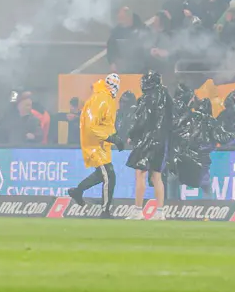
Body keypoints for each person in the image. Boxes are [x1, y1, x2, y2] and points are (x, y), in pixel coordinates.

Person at [66, 73, 120, 215]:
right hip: (95, 145)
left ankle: (78, 191)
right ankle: (105, 211)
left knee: (102, 175)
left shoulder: (103, 98)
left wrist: (113, 137)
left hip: (100, 144)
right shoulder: (102, 99)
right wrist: (111, 138)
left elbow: (104, 123)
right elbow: (92, 127)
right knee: (109, 175)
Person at [124, 70, 173, 211]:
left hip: (147, 140)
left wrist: (132, 135)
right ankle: (160, 211)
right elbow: (171, 120)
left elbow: (141, 121)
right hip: (161, 141)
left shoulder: (146, 99)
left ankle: (138, 210)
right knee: (157, 176)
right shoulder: (167, 98)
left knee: (140, 173)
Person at [168, 87, 220, 199]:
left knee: (173, 180)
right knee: (205, 184)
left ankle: (172, 206)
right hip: (194, 157)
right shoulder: (203, 119)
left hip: (182, 156)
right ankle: (208, 209)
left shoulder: (186, 116)